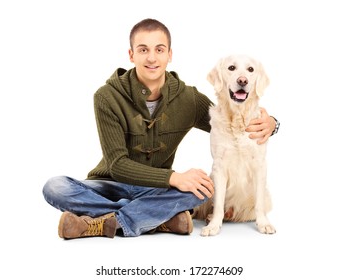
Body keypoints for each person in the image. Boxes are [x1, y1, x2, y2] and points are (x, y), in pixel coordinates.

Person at [42, 18, 279, 239]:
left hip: (158, 190)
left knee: (204, 189)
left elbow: (226, 123)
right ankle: (156, 218)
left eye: (159, 49)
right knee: (55, 187)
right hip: (110, 185)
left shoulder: (188, 98)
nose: (152, 58)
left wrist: (272, 123)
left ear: (169, 55)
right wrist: (173, 177)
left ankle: (102, 222)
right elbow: (117, 164)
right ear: (131, 55)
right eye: (143, 50)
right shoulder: (106, 97)